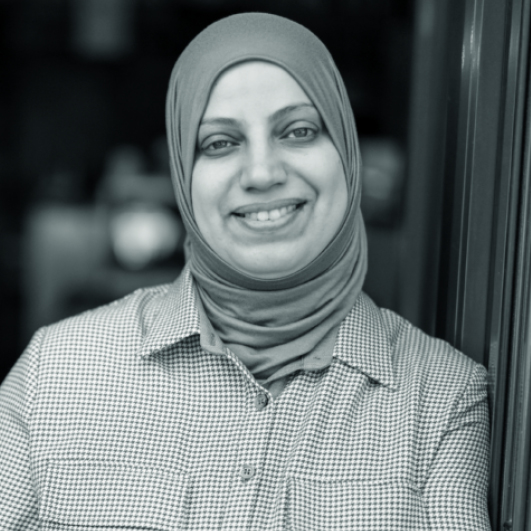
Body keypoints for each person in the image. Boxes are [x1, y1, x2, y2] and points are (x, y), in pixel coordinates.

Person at [0, 13, 490, 530]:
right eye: (219, 142)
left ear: (347, 154)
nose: (262, 173)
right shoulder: (57, 374)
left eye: (299, 131)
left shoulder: (441, 397)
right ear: (183, 177)